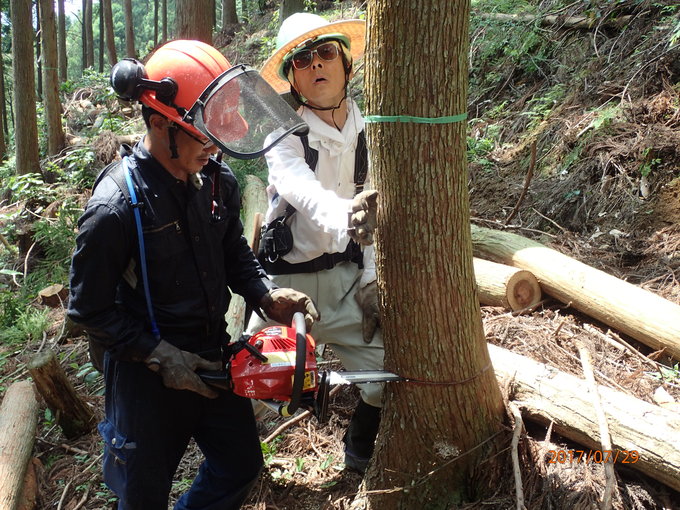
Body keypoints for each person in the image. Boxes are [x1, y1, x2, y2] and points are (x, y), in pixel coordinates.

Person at [67, 40, 320, 510]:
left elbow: (232, 251)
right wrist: (161, 356)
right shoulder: (115, 208)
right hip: (143, 374)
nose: (214, 146)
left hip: (211, 353)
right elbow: (89, 310)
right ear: (161, 123)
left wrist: (264, 294)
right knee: (143, 496)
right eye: (202, 135)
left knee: (240, 464)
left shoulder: (216, 181)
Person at [251, 13, 384, 475]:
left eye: (326, 52)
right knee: (252, 384)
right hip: (285, 292)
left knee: (384, 377)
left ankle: (359, 451)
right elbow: (302, 191)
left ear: (346, 63)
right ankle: (240, 471)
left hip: (346, 283)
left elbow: (375, 216)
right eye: (302, 60)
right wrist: (348, 214)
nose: (317, 65)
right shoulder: (283, 137)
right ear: (293, 79)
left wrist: (369, 279)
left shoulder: (373, 128)